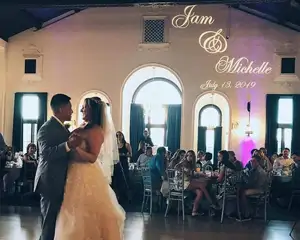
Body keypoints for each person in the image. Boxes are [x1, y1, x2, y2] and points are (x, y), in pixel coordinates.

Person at [54, 97, 125, 240]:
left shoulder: (96, 131)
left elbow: (93, 157)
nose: (81, 110)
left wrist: (76, 148)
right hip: (72, 172)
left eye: (84, 107)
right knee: (70, 210)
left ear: (92, 110)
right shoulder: (83, 126)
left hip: (85, 173)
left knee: (84, 212)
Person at [34, 94, 82, 240]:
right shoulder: (46, 129)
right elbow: (46, 154)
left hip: (59, 180)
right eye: (70, 108)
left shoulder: (61, 127)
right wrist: (68, 145)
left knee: (55, 223)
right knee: (49, 223)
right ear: (61, 109)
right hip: (50, 181)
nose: (72, 111)